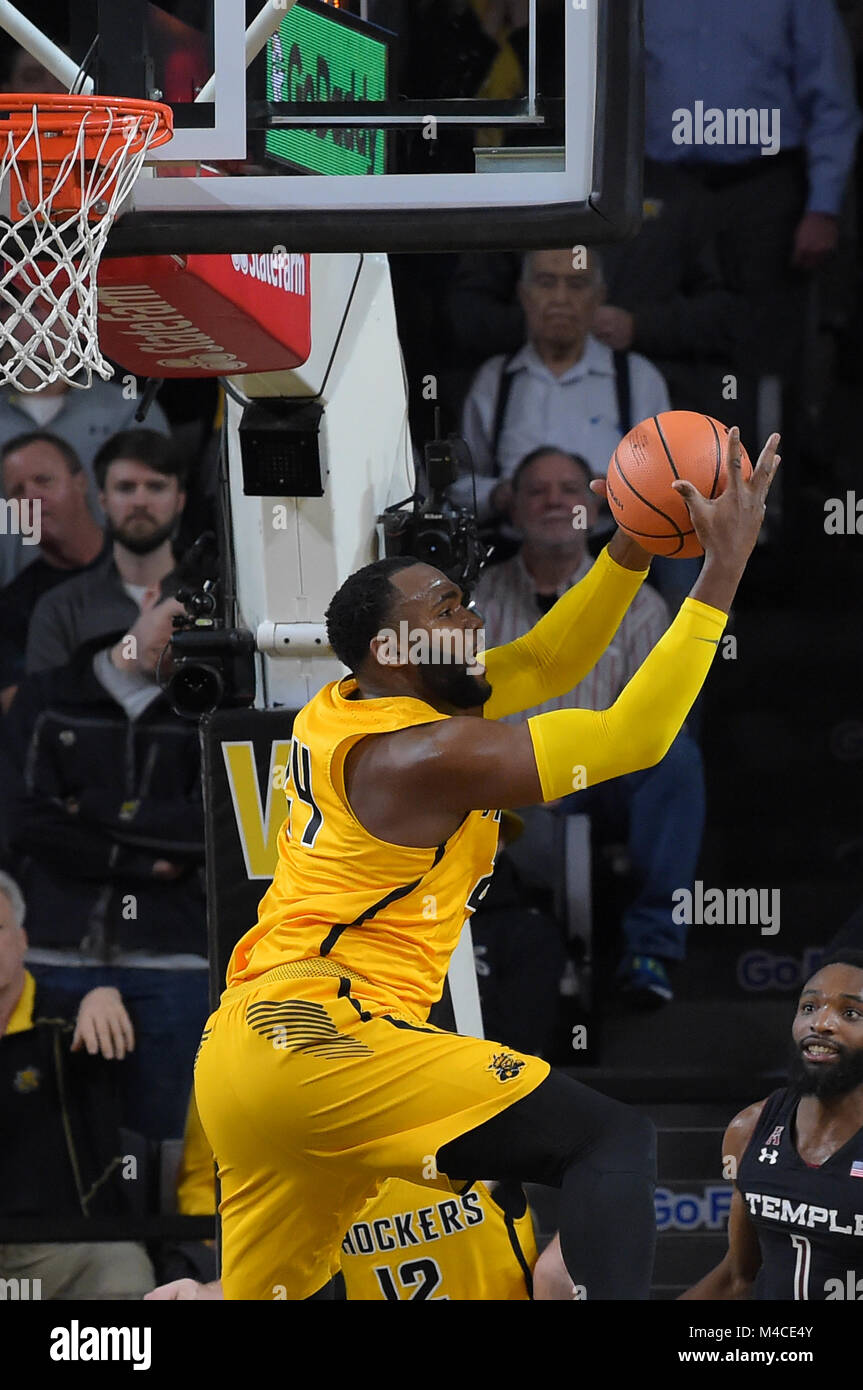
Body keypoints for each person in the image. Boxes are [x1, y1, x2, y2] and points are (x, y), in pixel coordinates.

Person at [193, 426, 780, 1301]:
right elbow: (635, 736)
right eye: (442, 609)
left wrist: (631, 535)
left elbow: (550, 657)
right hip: (323, 1030)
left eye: (462, 599)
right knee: (609, 1141)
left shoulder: (349, 703)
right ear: (393, 650)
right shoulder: (421, 757)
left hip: (242, 1057)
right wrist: (720, 567)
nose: (469, 616)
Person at [473, 447, 705, 1005]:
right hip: (500, 776)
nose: (554, 500)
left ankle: (650, 948)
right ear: (512, 509)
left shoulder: (644, 606)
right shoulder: (474, 598)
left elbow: (656, 716)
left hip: (598, 781)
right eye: (537, 489)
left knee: (677, 756)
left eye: (570, 489)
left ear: (596, 509)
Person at [1, 595, 208, 1142]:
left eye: (196, 629)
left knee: (172, 1140)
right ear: (146, 602)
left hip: (173, 960)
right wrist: (138, 860)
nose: (178, 637)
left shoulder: (204, 708)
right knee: (46, 1135)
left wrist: (91, 807)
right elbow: (22, 819)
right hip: (52, 952)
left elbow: (207, 828)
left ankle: (173, 1234)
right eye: (174, 618)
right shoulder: (48, 697)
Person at [0, 869, 154, 1299]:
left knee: (121, 1269)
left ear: (22, 940)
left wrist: (103, 996)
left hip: (63, 1249)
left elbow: (108, 1025)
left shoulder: (72, 1020)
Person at [683, 951, 863, 1300]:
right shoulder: (749, 1128)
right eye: (809, 1007)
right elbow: (737, 1277)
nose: (821, 1023)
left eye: (850, 1013)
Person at [452, 248, 671, 524]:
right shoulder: (495, 379)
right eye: (546, 283)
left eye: (576, 284)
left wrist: (611, 492)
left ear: (598, 298)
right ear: (524, 295)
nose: (560, 298)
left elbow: (663, 485)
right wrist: (501, 495)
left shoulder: (638, 378)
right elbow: (460, 485)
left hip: (611, 547)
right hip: (514, 549)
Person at [24, 429, 185, 676]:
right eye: (125, 488)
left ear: (180, 501)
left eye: (155, 487)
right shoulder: (61, 609)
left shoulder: (210, 600)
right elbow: (39, 706)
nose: (140, 501)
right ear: (103, 501)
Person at [0, 432, 107, 710]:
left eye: (43, 481)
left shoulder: (139, 557)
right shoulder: (12, 608)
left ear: (80, 482)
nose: (31, 497)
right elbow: (14, 702)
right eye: (17, 491)